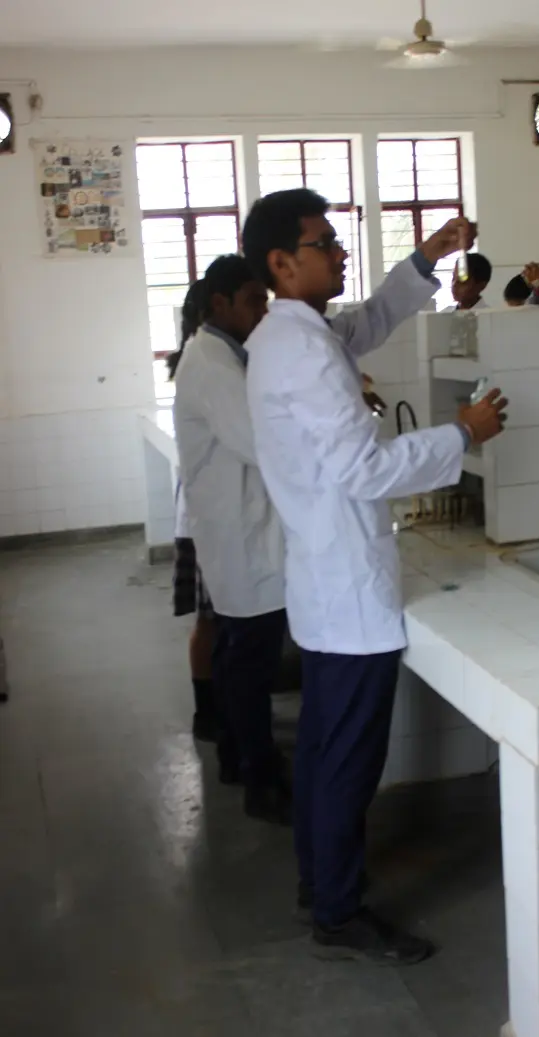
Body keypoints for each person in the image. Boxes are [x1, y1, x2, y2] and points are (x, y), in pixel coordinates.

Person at [242, 188, 507, 965]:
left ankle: (318, 883)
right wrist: (462, 432)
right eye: (324, 243)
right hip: (347, 589)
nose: (339, 251)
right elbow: (362, 469)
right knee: (348, 760)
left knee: (324, 749)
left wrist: (426, 256)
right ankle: (338, 910)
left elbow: (370, 322)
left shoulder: (297, 334)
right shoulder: (301, 350)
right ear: (281, 263)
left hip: (327, 581)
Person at [174, 255, 291, 825]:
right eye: (252, 301)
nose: (262, 311)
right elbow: (258, 442)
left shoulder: (221, 355)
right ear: (219, 303)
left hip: (239, 535)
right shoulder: (212, 364)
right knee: (249, 665)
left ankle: (233, 756)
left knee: (233, 654)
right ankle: (259, 779)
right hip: (242, 541)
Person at [169, 281, 219, 743]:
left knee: (212, 621)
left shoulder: (200, 358)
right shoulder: (204, 362)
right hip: (206, 518)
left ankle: (212, 709)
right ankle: (208, 712)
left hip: (204, 514)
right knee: (211, 621)